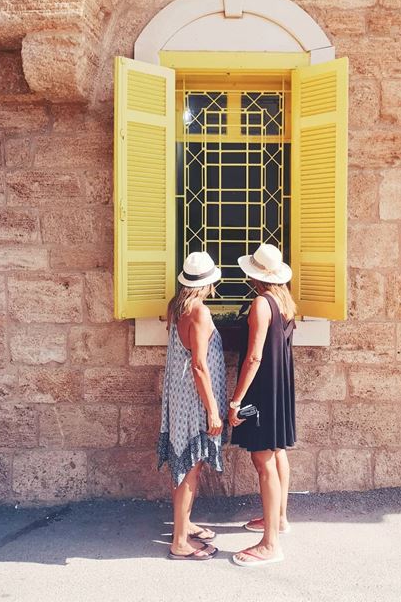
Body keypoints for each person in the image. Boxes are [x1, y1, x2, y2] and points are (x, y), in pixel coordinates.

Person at [229, 243, 296, 567]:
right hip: (279, 390)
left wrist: (236, 400)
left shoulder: (260, 304)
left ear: (254, 275)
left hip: (261, 393)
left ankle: (270, 544)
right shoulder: (284, 302)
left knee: (262, 461)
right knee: (277, 452)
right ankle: (279, 520)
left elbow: (254, 357)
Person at [157, 251, 227, 560]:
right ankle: (180, 542)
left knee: (185, 465)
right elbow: (199, 365)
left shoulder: (176, 308)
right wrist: (212, 409)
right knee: (190, 469)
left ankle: (183, 525)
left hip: (180, 394)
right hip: (195, 399)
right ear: (208, 283)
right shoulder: (200, 312)